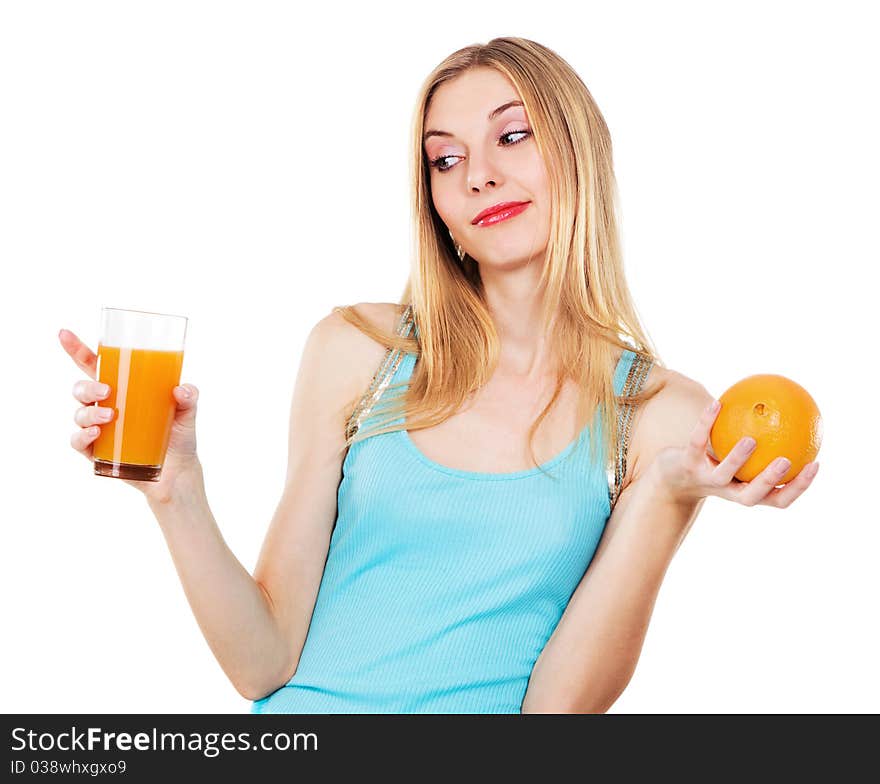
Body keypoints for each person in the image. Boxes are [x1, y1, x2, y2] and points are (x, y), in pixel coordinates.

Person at [59, 37, 819, 714]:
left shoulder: (658, 415)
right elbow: (262, 666)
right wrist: (176, 489)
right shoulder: (359, 351)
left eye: (512, 137)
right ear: (435, 205)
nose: (477, 177)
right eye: (445, 159)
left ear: (580, 152)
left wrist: (665, 492)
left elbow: (559, 713)